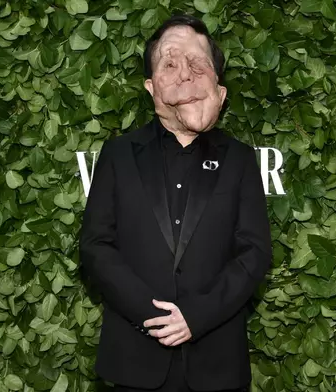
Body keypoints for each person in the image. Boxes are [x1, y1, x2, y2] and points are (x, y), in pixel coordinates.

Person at [79, 14, 272, 392]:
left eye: (198, 64)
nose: (185, 74)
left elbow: (254, 252)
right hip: (133, 360)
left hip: (216, 364)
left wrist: (195, 317)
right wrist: (155, 317)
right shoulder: (118, 154)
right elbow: (96, 245)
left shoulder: (240, 159)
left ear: (219, 84)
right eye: (170, 64)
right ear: (151, 87)